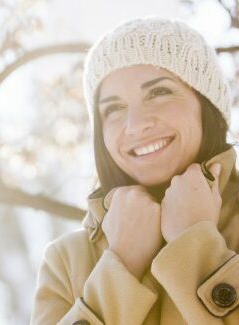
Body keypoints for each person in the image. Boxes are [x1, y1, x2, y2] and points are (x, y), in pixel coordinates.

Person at [30, 16, 239, 325]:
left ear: (205, 104)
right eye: (113, 109)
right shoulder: (66, 261)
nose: (136, 125)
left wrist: (196, 246)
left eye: (159, 93)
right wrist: (121, 265)